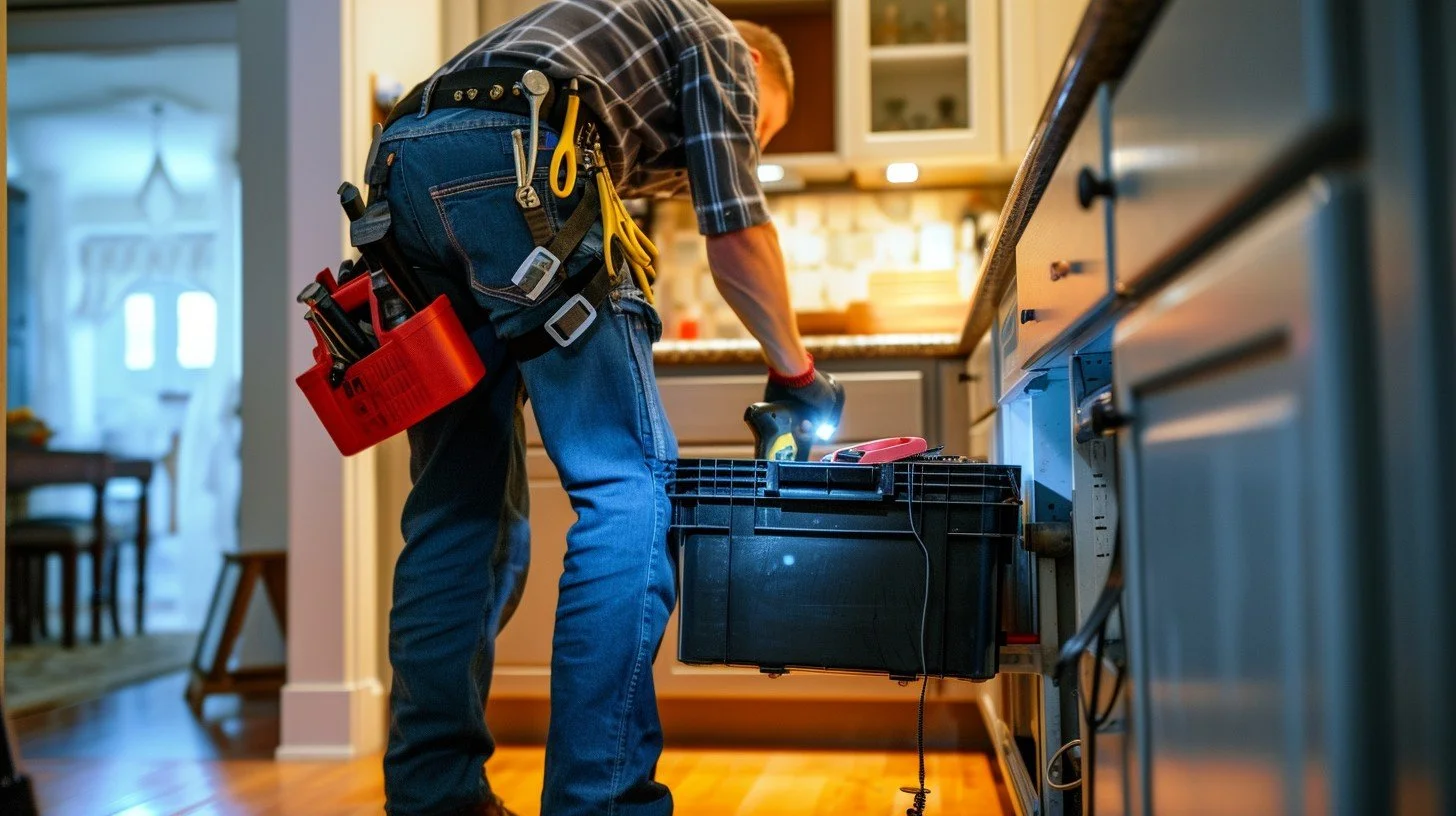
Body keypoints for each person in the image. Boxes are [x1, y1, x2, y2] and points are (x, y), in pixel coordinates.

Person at [366, 1, 843, 813]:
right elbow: (735, 234)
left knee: (455, 507)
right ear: (758, 75)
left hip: (398, 172)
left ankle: (433, 795)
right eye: (757, 130)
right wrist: (797, 372)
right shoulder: (724, 44)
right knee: (627, 487)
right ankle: (602, 800)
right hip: (520, 155)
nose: (745, 144)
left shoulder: (615, 44)